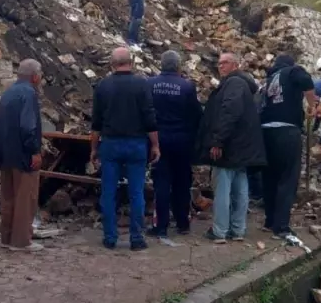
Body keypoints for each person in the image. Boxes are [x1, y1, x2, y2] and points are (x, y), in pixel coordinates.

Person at [91, 47, 160, 250]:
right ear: (131, 62)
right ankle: (136, 238)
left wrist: (94, 148)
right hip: (136, 144)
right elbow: (150, 118)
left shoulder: (103, 86)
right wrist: (155, 144)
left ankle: (110, 237)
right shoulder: (141, 84)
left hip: (111, 144)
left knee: (109, 192)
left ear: (112, 64)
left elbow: (96, 123)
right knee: (136, 192)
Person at [193, 52, 265, 243]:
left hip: (229, 148)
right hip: (242, 148)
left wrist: (217, 141)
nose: (220, 66)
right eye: (219, 63)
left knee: (223, 189)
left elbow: (229, 112)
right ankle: (238, 230)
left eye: (225, 63)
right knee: (241, 189)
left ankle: (219, 231)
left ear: (235, 65)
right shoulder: (243, 86)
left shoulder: (233, 84)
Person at [0, 59, 44, 252]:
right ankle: (21, 241)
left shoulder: (8, 93)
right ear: (35, 77)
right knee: (25, 197)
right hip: (23, 155)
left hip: (5, 153)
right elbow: (28, 126)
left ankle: (6, 237)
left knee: (8, 197)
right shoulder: (29, 94)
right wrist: (34, 150)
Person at [260, 53, 317, 240]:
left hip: (266, 132)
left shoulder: (269, 80)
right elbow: (306, 80)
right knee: (288, 178)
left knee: (269, 178)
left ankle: (269, 221)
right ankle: (281, 226)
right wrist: (313, 105)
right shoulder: (292, 71)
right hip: (287, 132)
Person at [148, 50, 202, 238]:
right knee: (182, 182)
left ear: (161, 64)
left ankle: (160, 226)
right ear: (178, 66)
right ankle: (182, 223)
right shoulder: (187, 86)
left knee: (161, 183)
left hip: (159, 140)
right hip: (182, 140)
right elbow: (195, 114)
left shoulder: (151, 84)